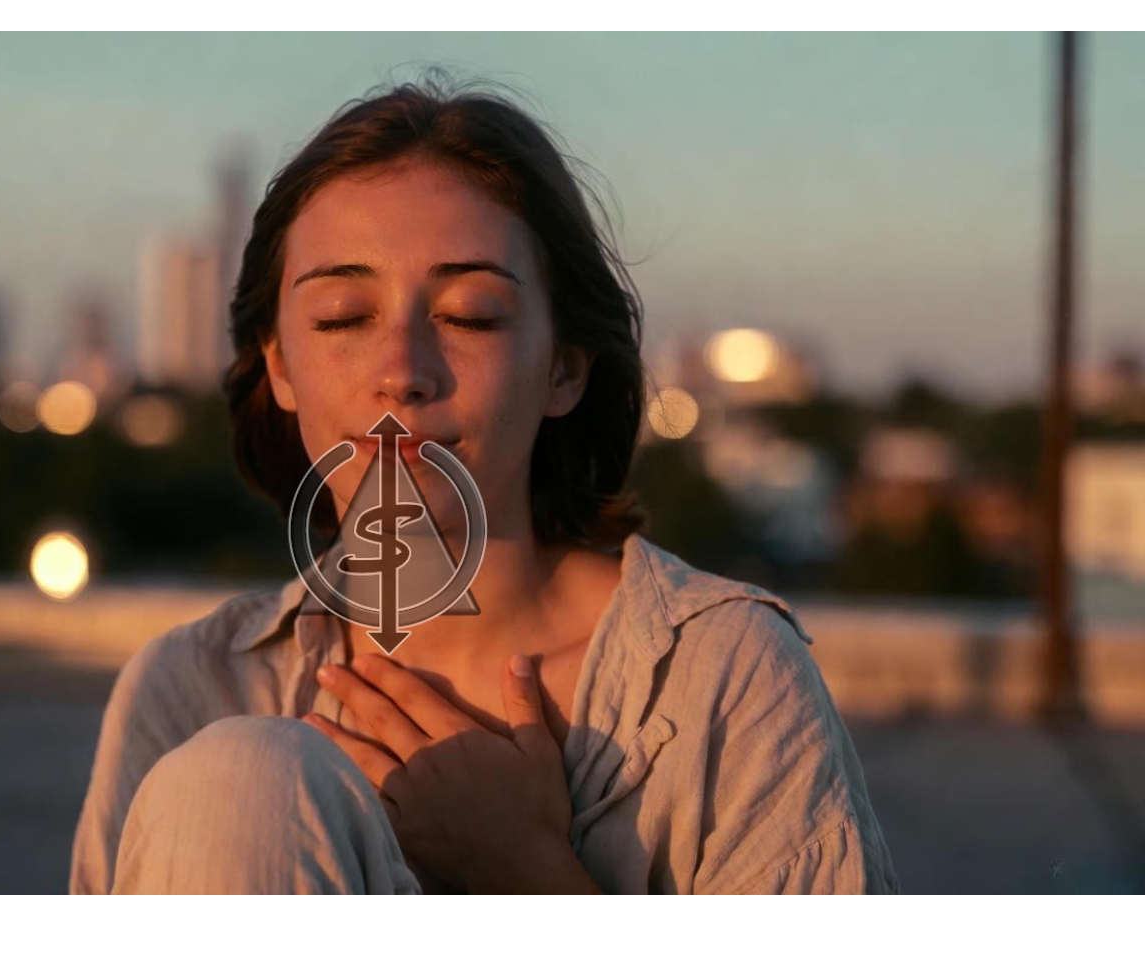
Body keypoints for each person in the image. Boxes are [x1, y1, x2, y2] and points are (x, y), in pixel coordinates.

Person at [70, 74, 900, 894]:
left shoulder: (720, 680)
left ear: (565, 370)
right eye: (342, 319)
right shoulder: (193, 688)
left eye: (470, 315)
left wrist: (525, 868)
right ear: (280, 366)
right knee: (241, 777)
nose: (401, 372)